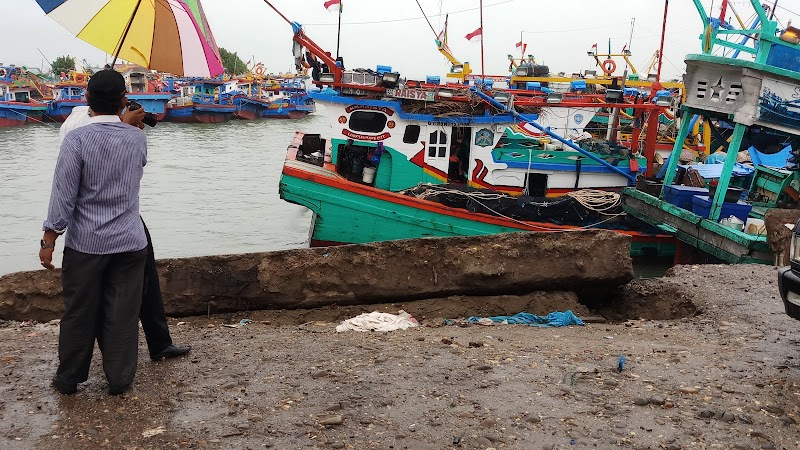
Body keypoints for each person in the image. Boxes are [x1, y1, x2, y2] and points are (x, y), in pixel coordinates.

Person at [41, 69, 149, 395]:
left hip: (86, 244)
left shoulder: (76, 140)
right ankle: (119, 379)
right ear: (123, 101)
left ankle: (69, 378)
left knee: (79, 312)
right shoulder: (138, 138)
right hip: (130, 242)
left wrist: (49, 238)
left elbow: (63, 196)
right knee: (123, 314)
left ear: (87, 100)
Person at [59, 98, 191, 364]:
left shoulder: (88, 120)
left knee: (143, 282)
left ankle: (157, 343)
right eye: (121, 96)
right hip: (103, 216)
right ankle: (131, 353)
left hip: (112, 215)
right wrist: (124, 125)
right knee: (112, 293)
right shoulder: (80, 126)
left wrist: (131, 128)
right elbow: (103, 157)